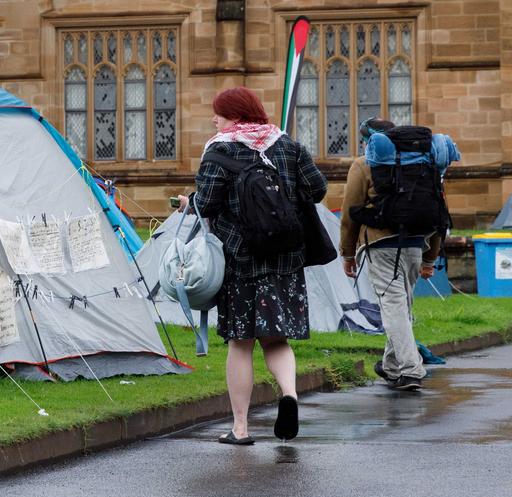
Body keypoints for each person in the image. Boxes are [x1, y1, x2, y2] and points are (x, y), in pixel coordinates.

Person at [180, 87, 327, 445]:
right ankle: (289, 394)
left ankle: (240, 428)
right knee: (276, 339)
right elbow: (318, 189)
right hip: (287, 258)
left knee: (240, 343)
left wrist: (189, 202)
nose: (214, 120)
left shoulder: (220, 149)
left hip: (241, 259)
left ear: (235, 114)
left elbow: (209, 204)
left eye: (219, 113)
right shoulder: (287, 144)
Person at [340, 118, 442, 391]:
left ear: (368, 140)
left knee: (394, 308)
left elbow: (351, 213)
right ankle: (391, 366)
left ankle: (411, 370)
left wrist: (348, 254)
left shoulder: (363, 164)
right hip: (415, 244)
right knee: (400, 307)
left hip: (380, 244)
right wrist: (431, 257)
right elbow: (439, 214)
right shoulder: (423, 162)